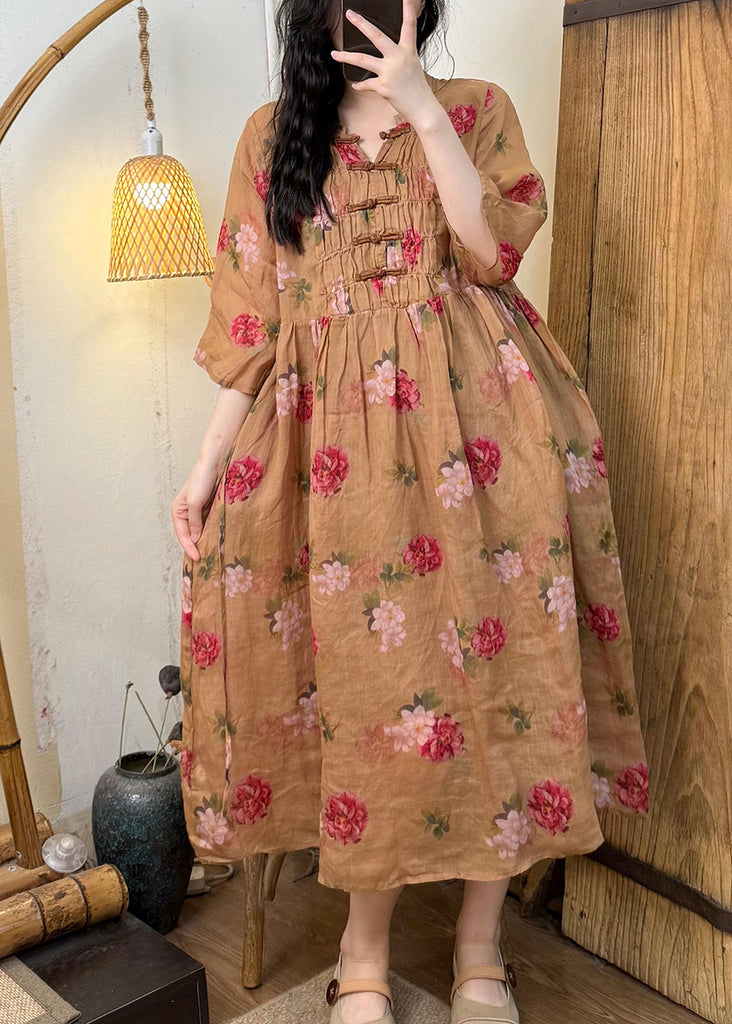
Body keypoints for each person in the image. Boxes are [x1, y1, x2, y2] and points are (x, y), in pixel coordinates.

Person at [171, 1, 650, 1022]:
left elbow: (491, 256)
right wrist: (205, 468)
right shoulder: (273, 135)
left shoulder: (477, 108)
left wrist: (423, 108)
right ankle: (363, 953)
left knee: (506, 671)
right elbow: (254, 321)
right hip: (336, 457)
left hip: (484, 436)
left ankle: (481, 946)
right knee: (369, 690)